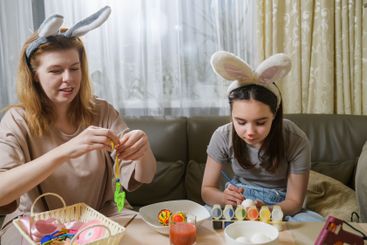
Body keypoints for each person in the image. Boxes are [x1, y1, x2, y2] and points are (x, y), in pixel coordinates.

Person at [0, 6, 156, 243]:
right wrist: (66, 150)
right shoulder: (17, 120)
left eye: (74, 68)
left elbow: (145, 176)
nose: (69, 79)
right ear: (34, 74)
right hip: (35, 222)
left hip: (102, 216)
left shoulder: (102, 111)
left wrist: (143, 151)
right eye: (55, 70)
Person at [201, 51, 323, 222]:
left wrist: (265, 210)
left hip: (280, 206)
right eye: (241, 122)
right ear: (231, 114)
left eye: (260, 122)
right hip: (237, 204)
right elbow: (207, 190)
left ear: (274, 115)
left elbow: (294, 202)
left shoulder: (295, 139)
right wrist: (224, 198)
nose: (250, 132)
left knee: (314, 226)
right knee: (203, 223)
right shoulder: (222, 136)